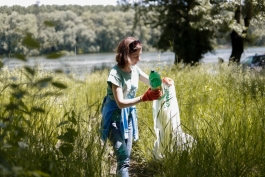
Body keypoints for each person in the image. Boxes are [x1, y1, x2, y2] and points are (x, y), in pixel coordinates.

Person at [100, 36, 167, 177]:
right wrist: (144, 98)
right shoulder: (115, 74)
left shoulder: (134, 69)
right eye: (135, 56)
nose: (139, 59)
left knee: (126, 158)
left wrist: (163, 82)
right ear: (125, 55)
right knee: (123, 159)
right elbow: (120, 102)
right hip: (114, 118)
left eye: (140, 55)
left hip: (128, 117)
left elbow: (151, 82)